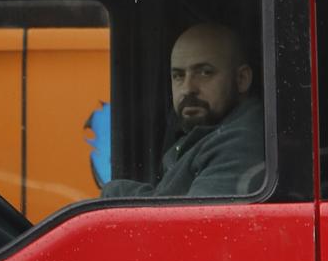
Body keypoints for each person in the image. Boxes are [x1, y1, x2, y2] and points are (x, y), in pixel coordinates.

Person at [102, 21, 265, 199]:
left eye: (205, 72)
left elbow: (193, 223)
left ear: (242, 79)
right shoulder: (203, 135)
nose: (188, 88)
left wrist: (114, 192)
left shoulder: (241, 143)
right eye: (178, 76)